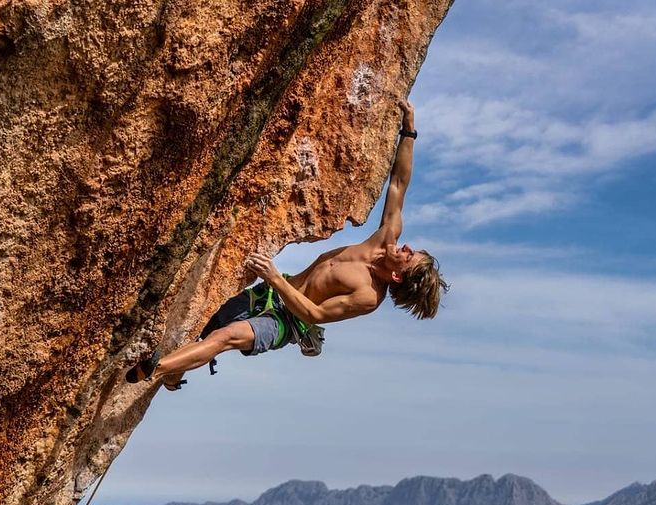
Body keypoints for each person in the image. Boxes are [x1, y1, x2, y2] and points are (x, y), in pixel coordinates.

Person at [126, 100, 448, 390]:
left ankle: (153, 370)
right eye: (411, 249)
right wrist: (409, 131)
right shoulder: (386, 235)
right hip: (271, 291)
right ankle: (171, 374)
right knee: (205, 327)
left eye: (408, 257)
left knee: (224, 338)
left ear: (397, 277)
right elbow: (398, 183)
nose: (405, 248)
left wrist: (275, 278)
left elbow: (316, 312)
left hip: (286, 321)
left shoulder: (367, 296)